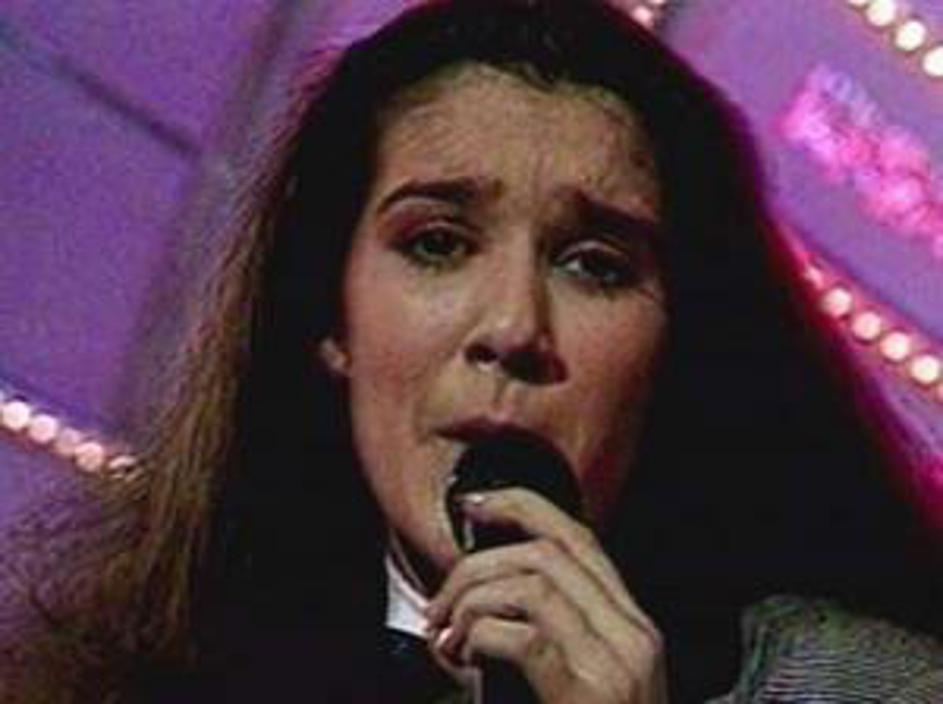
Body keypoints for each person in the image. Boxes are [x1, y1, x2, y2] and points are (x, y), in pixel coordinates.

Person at [11, 0, 942, 702]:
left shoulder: (862, 687)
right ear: (330, 316)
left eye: (595, 265)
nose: (511, 329)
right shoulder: (123, 675)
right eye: (437, 244)